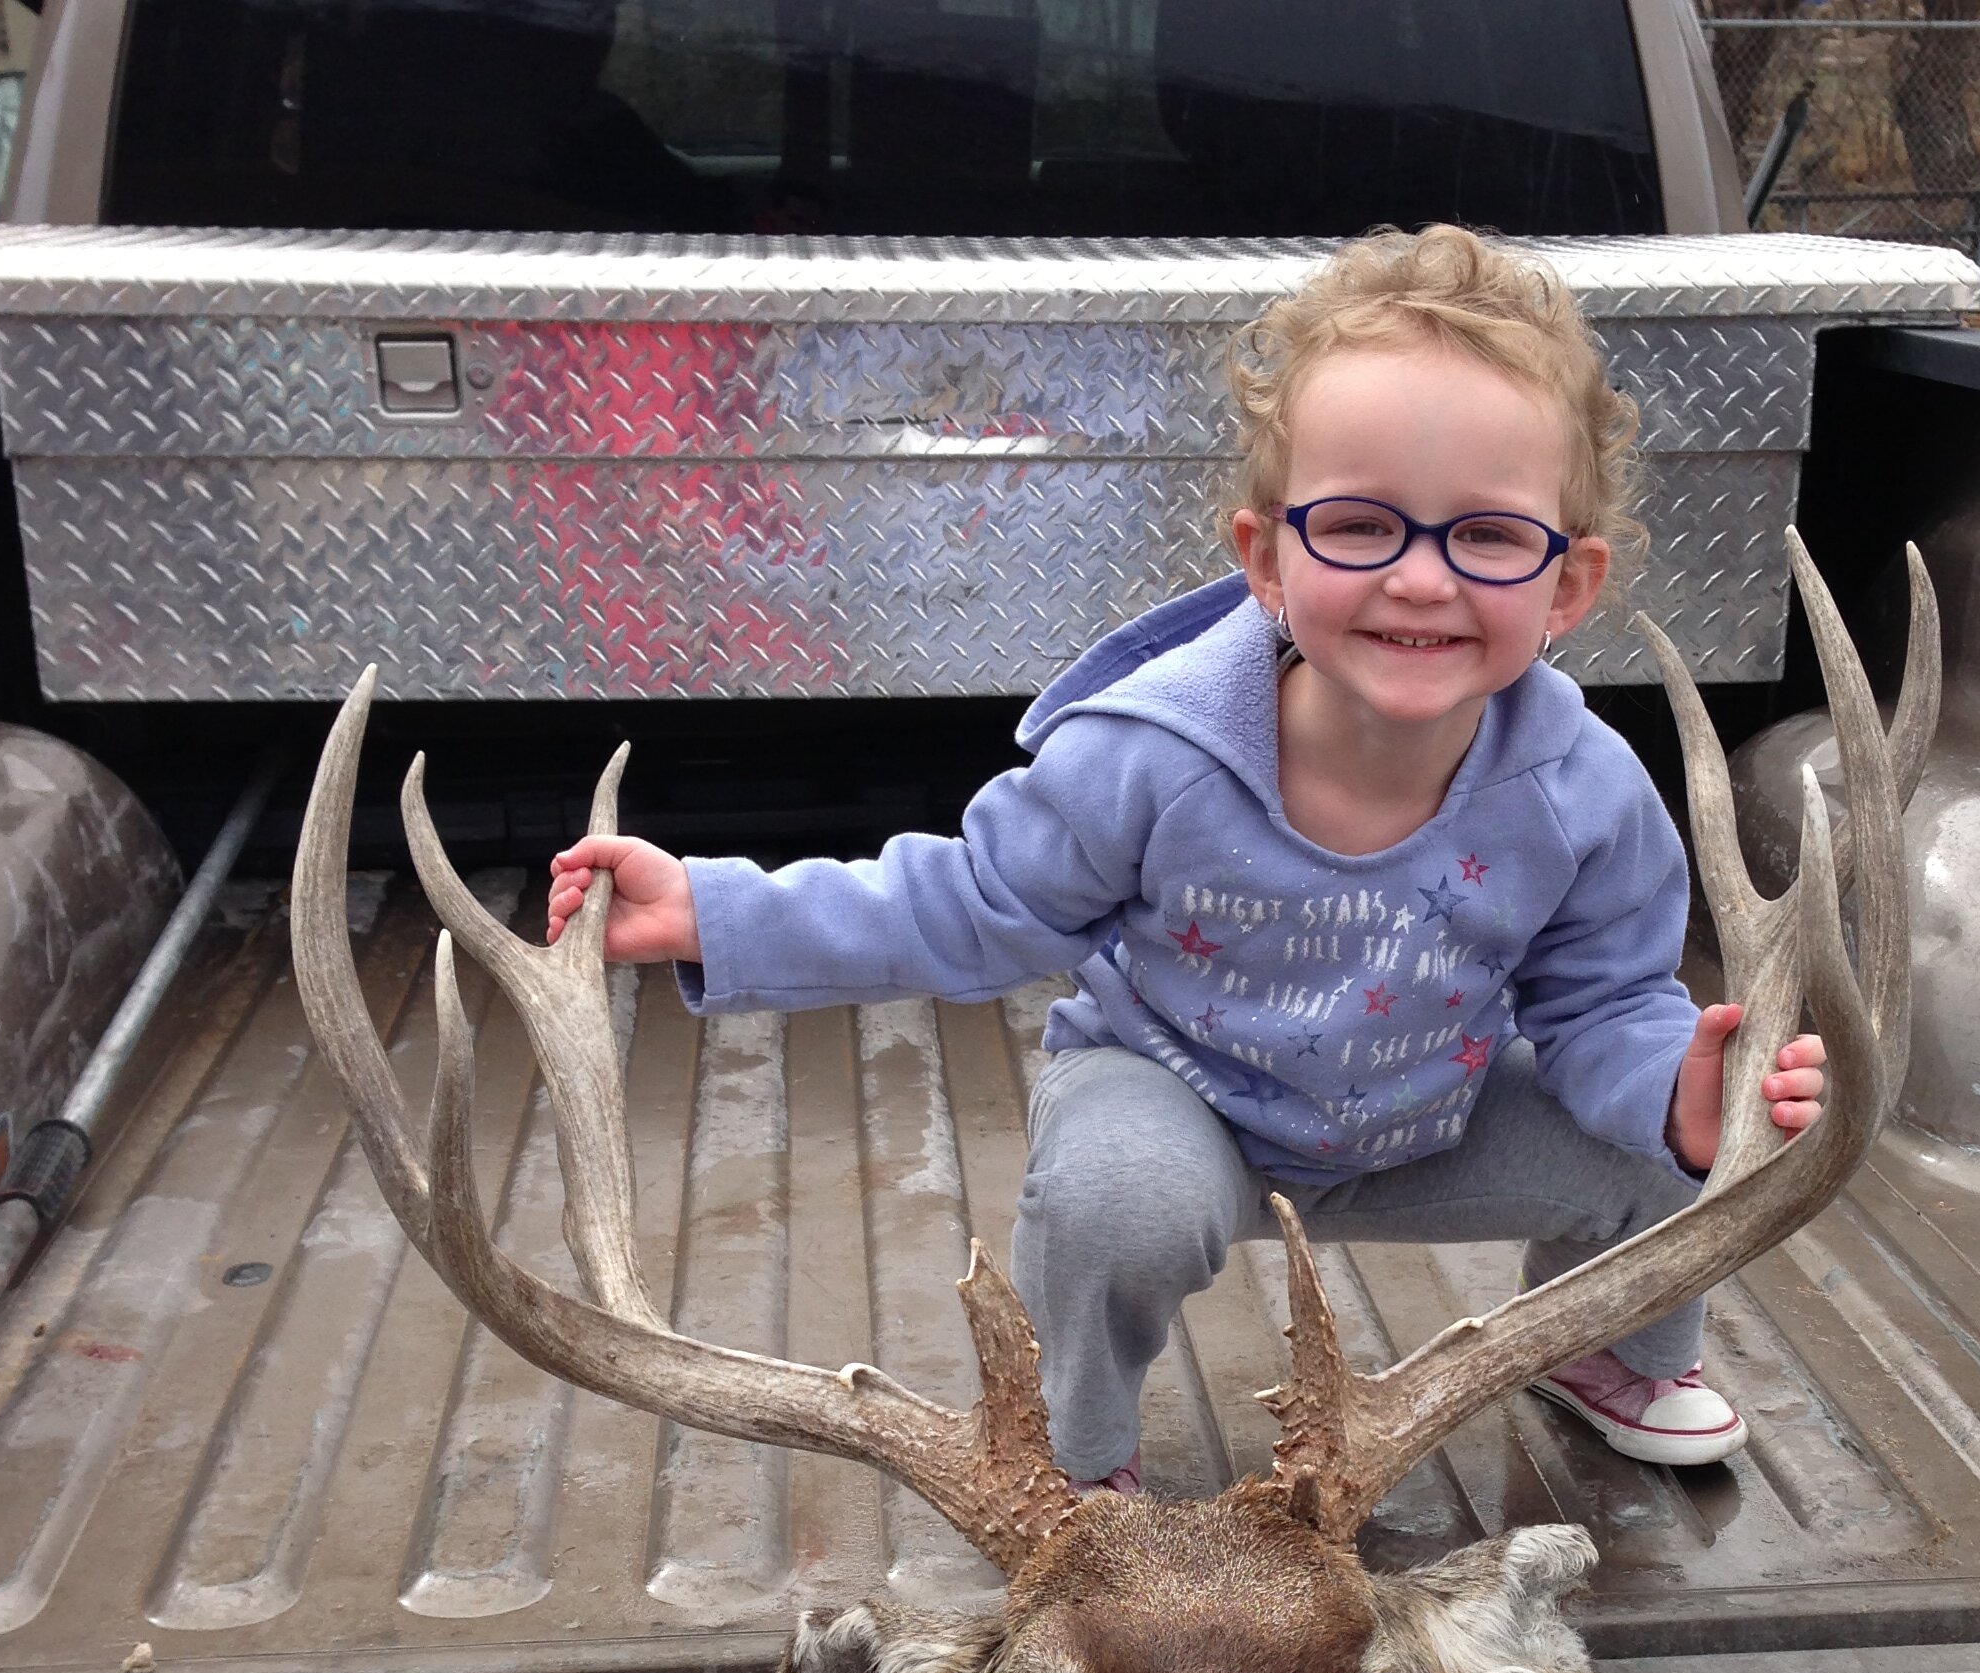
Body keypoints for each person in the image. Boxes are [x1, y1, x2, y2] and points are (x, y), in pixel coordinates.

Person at [547, 225, 1827, 1495]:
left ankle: (1612, 1351)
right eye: (1362, 527)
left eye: (1487, 538)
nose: (1424, 581)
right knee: (1122, 1199)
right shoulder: (1154, 755)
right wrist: (716, 913)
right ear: (1266, 557)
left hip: (1425, 1118)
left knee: (1696, 1141)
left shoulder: (1583, 792)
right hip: (1179, 1102)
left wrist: (1677, 1090)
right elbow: (972, 903)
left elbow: (1603, 1007)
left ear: (1567, 585)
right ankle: (1074, 1457)